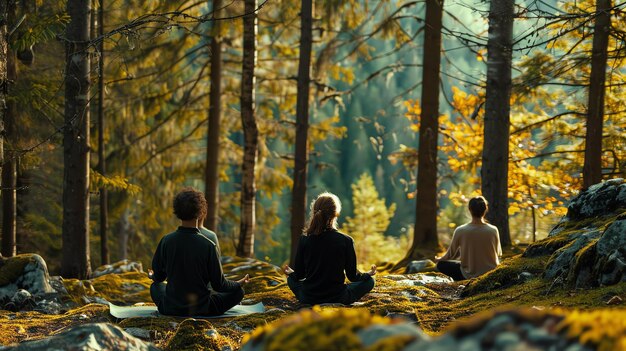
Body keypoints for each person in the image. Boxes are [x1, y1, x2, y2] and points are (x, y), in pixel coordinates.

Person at [149, 188, 249, 316]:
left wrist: (152, 275)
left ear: (177, 211)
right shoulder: (209, 245)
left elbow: (159, 277)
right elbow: (219, 285)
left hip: (171, 307)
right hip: (202, 308)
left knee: (155, 287)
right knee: (238, 293)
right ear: (201, 212)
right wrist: (238, 284)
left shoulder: (166, 241)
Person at [283, 192, 376, 305]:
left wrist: (291, 273)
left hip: (309, 298)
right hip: (338, 297)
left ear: (314, 212)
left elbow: (300, 276)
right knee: (370, 281)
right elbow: (353, 276)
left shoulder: (305, 239)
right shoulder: (346, 240)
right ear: (335, 214)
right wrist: (367, 274)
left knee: (290, 280)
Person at [435, 196, 502, 281]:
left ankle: (462, 281)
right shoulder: (493, 230)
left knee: (441, 264)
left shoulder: (461, 230)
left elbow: (450, 255)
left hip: (468, 274)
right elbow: (498, 253)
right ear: (485, 209)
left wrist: (438, 259)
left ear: (470, 209)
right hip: (490, 273)